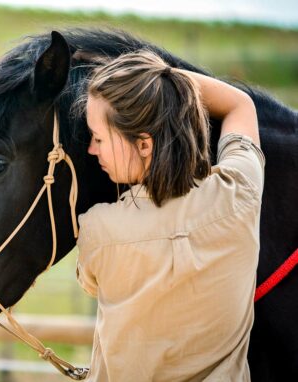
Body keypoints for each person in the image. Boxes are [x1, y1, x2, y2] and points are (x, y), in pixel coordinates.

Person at [76, 50, 265, 381]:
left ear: (144, 146)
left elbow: (90, 284)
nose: (92, 150)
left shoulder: (98, 231)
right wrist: (163, 83)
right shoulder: (240, 191)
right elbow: (240, 104)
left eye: (99, 138)